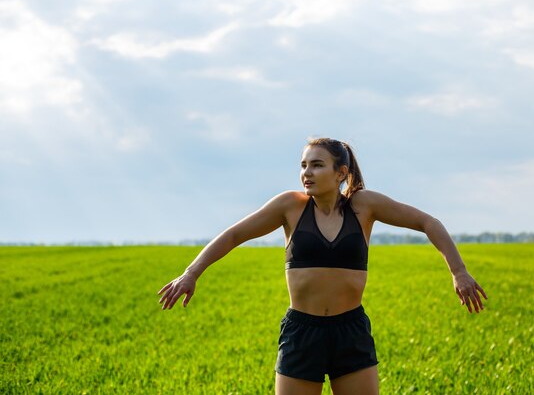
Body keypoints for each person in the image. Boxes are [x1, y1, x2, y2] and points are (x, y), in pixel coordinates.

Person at [158, 137, 488, 395]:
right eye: (303, 165)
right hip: (303, 332)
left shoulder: (364, 206)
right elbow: (233, 235)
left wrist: (458, 271)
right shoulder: (290, 206)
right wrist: (191, 273)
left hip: (351, 331)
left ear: (341, 173)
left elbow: (427, 222)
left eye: (316, 165)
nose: (306, 173)